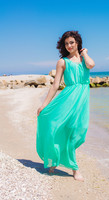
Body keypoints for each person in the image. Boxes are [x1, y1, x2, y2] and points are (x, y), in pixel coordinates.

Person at [36, 30, 95, 181]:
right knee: (61, 129)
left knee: (77, 131)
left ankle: (55, 163)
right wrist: (44, 105)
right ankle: (74, 169)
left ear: (78, 43)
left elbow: (91, 65)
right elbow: (55, 85)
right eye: (66, 43)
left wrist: (85, 53)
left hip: (81, 100)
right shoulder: (63, 62)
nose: (69, 46)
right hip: (67, 99)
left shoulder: (84, 60)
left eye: (72, 43)